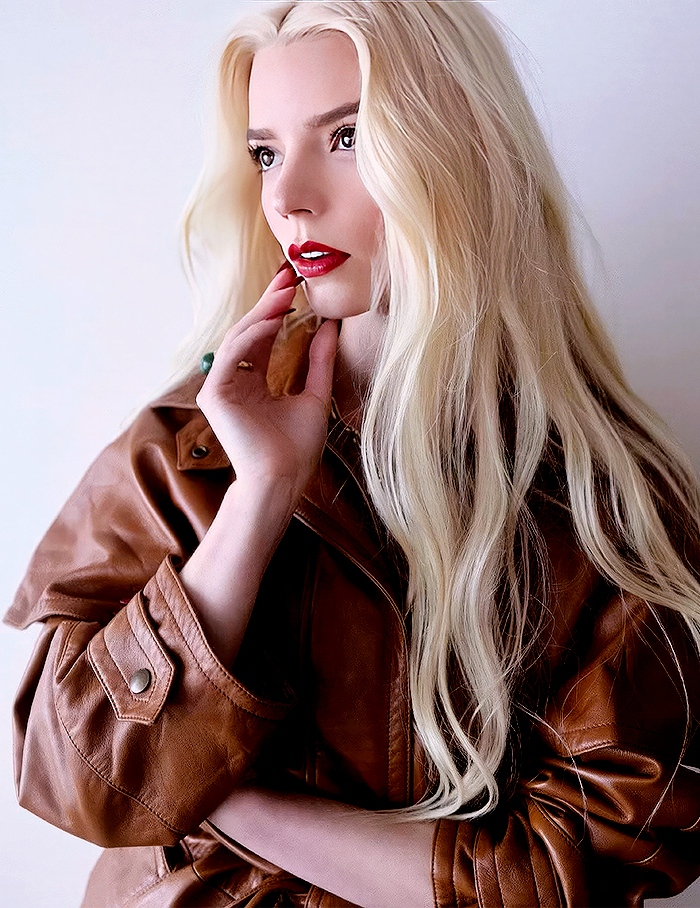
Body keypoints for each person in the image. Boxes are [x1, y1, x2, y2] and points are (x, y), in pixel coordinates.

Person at [7, 2, 700, 906]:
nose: (288, 197)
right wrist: (261, 495)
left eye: (345, 138)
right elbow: (78, 781)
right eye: (265, 153)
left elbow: (568, 875)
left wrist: (225, 796)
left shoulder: (606, 502)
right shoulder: (189, 444)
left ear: (459, 148)